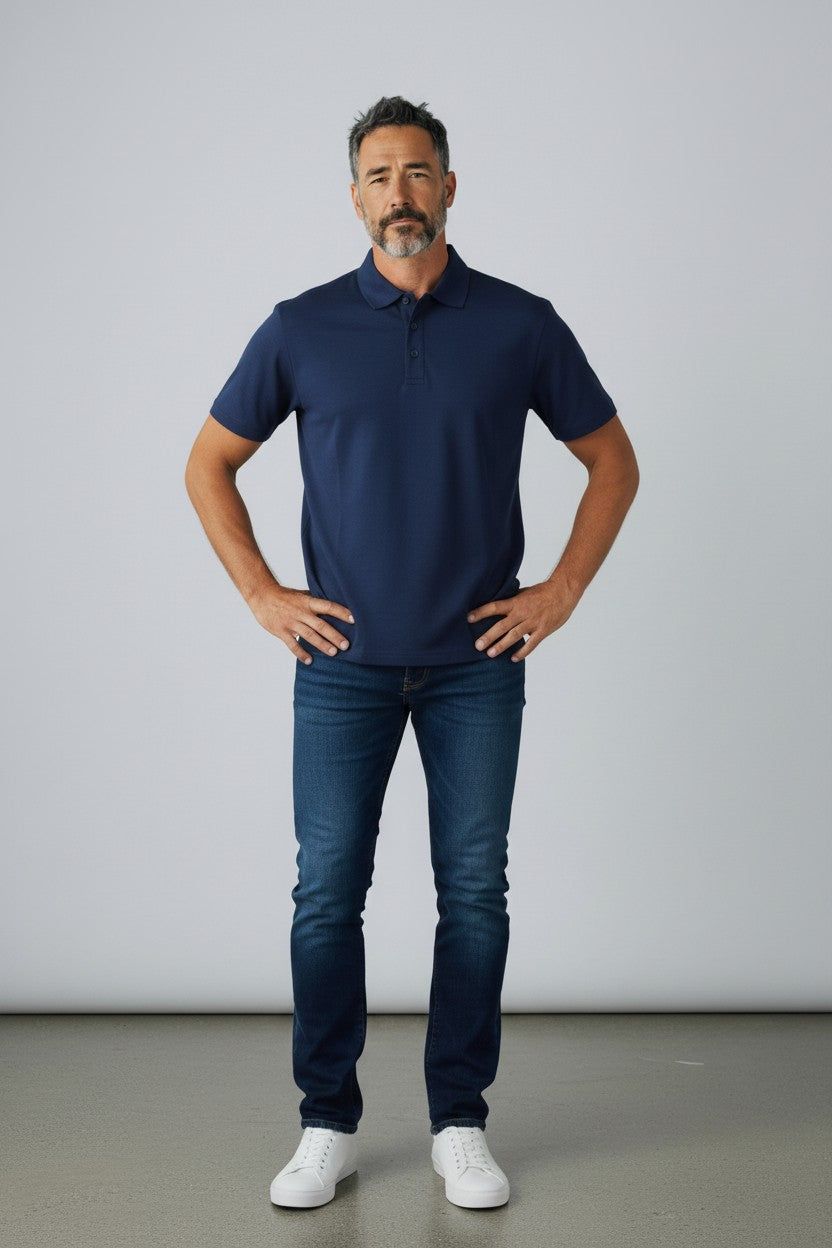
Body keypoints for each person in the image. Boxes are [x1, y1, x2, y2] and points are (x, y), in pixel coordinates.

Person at [184, 94, 639, 1210]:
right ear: (355, 198)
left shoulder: (520, 322)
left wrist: (561, 590)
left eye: (419, 172)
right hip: (339, 665)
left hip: (477, 663)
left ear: (448, 188)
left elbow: (613, 461)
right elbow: (208, 463)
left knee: (472, 892)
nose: (400, 193)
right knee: (326, 892)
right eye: (380, 175)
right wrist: (261, 594)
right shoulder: (299, 326)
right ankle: (326, 1120)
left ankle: (458, 1120)